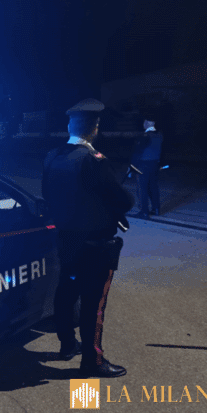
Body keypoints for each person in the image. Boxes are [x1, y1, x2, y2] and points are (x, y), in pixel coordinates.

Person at [42, 98, 135, 378]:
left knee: (66, 292)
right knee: (94, 304)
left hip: (67, 239)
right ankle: (92, 362)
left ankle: (67, 345)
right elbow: (124, 201)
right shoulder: (94, 161)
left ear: (70, 126)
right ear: (94, 129)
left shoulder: (53, 156)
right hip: (95, 245)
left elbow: (48, 194)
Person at [134, 118, 163, 219]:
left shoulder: (145, 136)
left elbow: (138, 152)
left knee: (142, 188)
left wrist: (132, 165)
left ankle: (144, 211)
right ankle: (156, 208)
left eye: (146, 122)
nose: (144, 124)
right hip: (155, 163)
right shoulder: (159, 135)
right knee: (153, 187)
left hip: (143, 164)